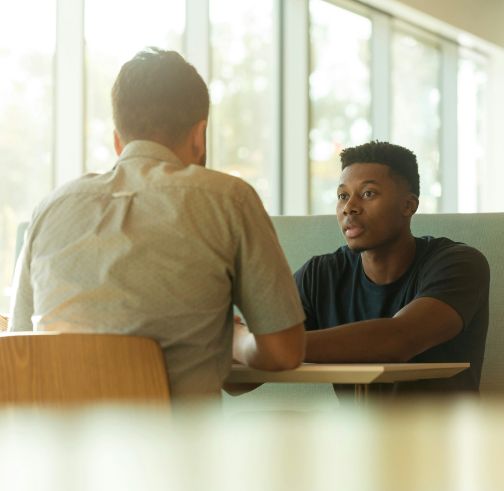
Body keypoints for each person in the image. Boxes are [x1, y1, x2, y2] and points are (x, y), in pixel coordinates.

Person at [8, 48, 305, 400]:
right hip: (176, 450)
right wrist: (235, 340)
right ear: (200, 135)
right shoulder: (229, 199)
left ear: (119, 140)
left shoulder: (50, 208)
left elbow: (18, 346)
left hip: (53, 449)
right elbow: (284, 352)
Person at [294, 141, 489, 393]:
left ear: (408, 206)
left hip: (443, 431)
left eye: (367, 194)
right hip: (356, 431)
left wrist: (268, 346)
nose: (349, 207)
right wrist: (242, 343)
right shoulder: (320, 275)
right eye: (343, 195)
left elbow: (397, 341)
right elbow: (239, 381)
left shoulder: (459, 264)